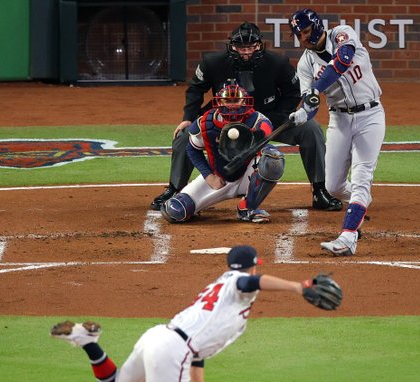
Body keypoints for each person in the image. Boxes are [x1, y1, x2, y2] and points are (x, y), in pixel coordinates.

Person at [50, 245, 338, 382]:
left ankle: (86, 339)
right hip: (172, 350)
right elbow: (251, 282)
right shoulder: (238, 287)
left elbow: (197, 358)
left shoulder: (217, 294)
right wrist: (298, 287)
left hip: (158, 338)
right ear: (252, 265)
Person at [150, 21, 342, 212]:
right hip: (224, 119)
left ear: (259, 45)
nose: (246, 52)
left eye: (251, 47)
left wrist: (277, 117)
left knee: (310, 129)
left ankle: (319, 190)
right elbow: (195, 90)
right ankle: (174, 189)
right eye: (241, 47)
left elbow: (293, 91)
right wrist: (188, 117)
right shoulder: (212, 62)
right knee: (185, 136)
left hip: (266, 118)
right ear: (231, 46)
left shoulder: (277, 63)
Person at [288, 8, 386, 256]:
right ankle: (360, 203)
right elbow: (310, 103)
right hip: (339, 119)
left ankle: (348, 237)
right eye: (298, 35)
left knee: (362, 174)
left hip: (370, 116)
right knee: (333, 186)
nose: (303, 39)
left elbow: (342, 60)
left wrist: (316, 89)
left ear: (318, 26)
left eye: (306, 32)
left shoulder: (343, 33)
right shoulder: (305, 65)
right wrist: (304, 113)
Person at [159, 81, 283, 224]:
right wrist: (208, 176)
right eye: (227, 100)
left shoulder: (255, 119)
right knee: (176, 211)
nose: (232, 104)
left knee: (273, 158)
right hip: (218, 178)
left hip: (248, 175)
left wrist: (256, 135)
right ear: (220, 101)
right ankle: (197, 203)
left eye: (236, 100)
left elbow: (266, 128)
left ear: (244, 101)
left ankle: (247, 208)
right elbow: (192, 149)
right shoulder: (206, 123)